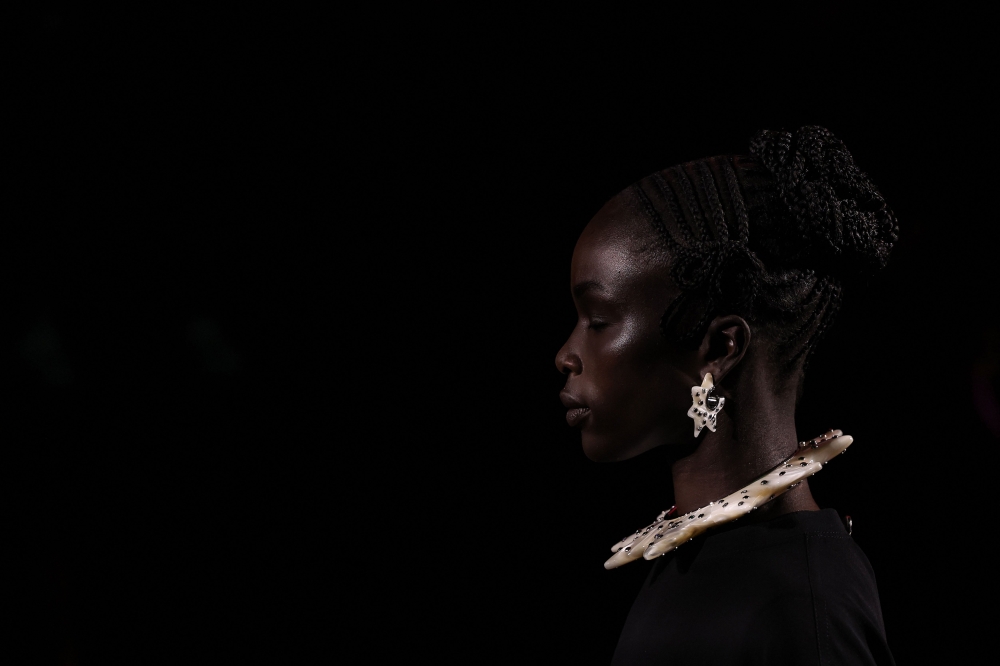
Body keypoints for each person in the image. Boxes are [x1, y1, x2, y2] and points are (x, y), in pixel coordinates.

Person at [555, 126, 896, 664]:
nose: (566, 356)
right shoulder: (694, 555)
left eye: (598, 321)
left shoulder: (805, 611)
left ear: (720, 347)